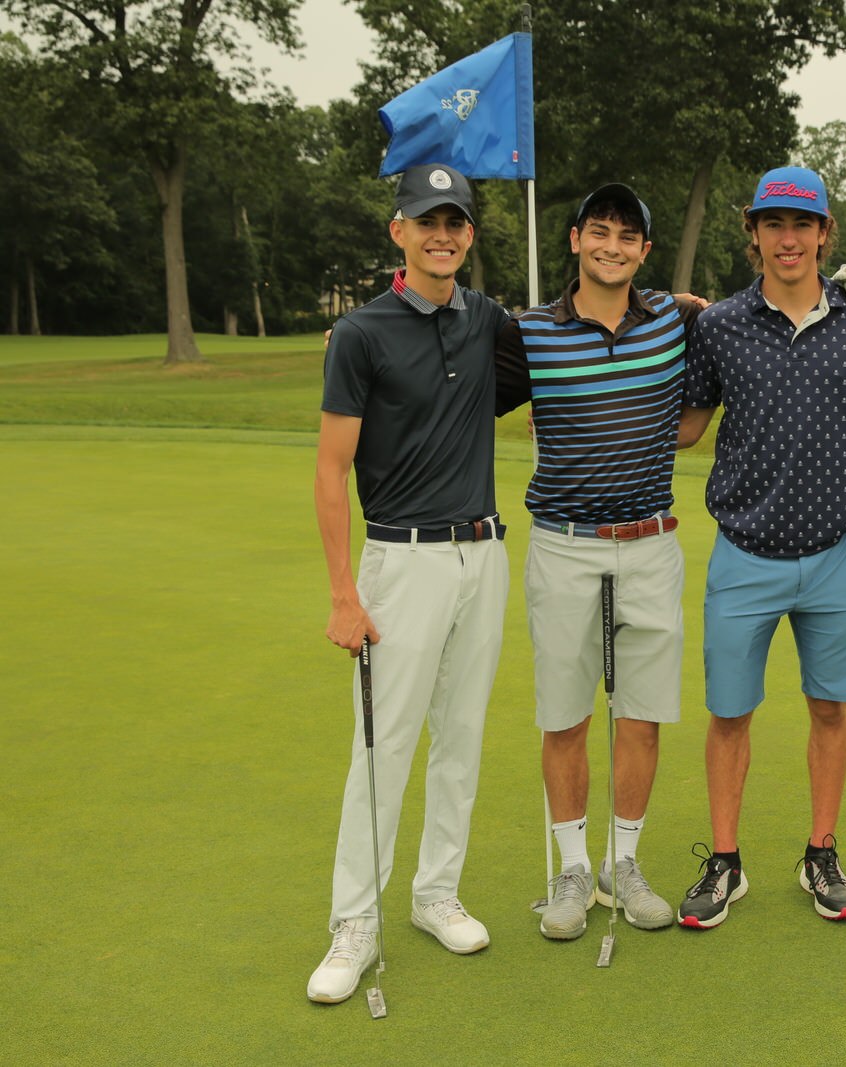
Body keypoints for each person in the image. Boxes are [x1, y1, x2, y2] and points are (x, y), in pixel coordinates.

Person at [675, 166, 846, 929]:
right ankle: (725, 861)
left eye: (803, 223)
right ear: (754, 232)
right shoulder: (720, 325)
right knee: (729, 713)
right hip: (744, 551)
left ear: (825, 232)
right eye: (774, 223)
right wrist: (581, 414)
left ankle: (820, 852)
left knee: (830, 708)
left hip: (837, 551)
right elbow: (688, 426)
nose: (789, 237)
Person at [308, 163, 510, 1003]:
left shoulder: (487, 319)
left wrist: (678, 305)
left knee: (460, 737)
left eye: (455, 222)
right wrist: (343, 593)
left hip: (484, 555)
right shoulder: (361, 333)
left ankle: (435, 893)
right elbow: (331, 468)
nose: (442, 235)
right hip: (403, 558)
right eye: (428, 221)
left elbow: (575, 325)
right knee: (382, 747)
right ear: (399, 231)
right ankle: (354, 920)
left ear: (468, 234)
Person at [493, 184, 703, 939]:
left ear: (644, 251)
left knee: (642, 714)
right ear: (576, 239)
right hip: (564, 543)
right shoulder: (529, 332)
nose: (612, 246)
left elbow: (737, 322)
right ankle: (574, 869)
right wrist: (356, 335)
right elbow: (444, 364)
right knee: (565, 715)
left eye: (627, 236)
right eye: (599, 232)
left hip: (650, 543)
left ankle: (624, 861)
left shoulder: (676, 320)